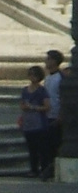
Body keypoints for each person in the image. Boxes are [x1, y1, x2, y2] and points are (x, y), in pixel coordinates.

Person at [19, 65, 50, 178]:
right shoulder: (25, 90)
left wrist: (33, 107)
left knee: (41, 148)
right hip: (28, 123)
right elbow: (22, 104)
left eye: (34, 74)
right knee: (31, 148)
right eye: (30, 74)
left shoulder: (42, 91)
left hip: (39, 123)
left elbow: (47, 106)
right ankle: (33, 169)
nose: (32, 77)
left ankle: (43, 169)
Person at [42, 49, 64, 180]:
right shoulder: (48, 77)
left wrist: (61, 115)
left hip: (56, 116)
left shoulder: (60, 78)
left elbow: (62, 98)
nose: (46, 61)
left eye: (48, 59)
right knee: (47, 145)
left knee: (55, 144)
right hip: (47, 115)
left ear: (54, 61)